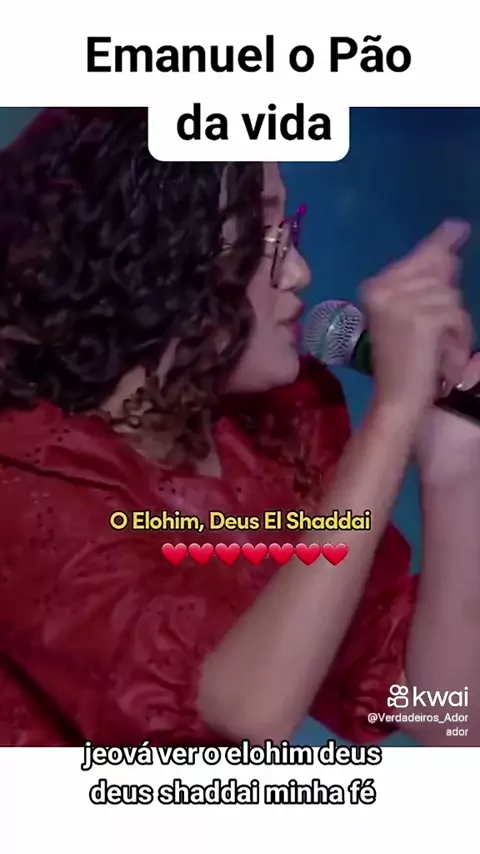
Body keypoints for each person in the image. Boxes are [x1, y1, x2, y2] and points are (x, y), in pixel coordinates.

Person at [0, 107, 478, 748]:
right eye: (263, 237)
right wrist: (390, 417)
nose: (301, 273)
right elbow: (244, 711)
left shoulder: (282, 428)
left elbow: (447, 718)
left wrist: (452, 463)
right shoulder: (23, 475)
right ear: (153, 257)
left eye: (289, 231)